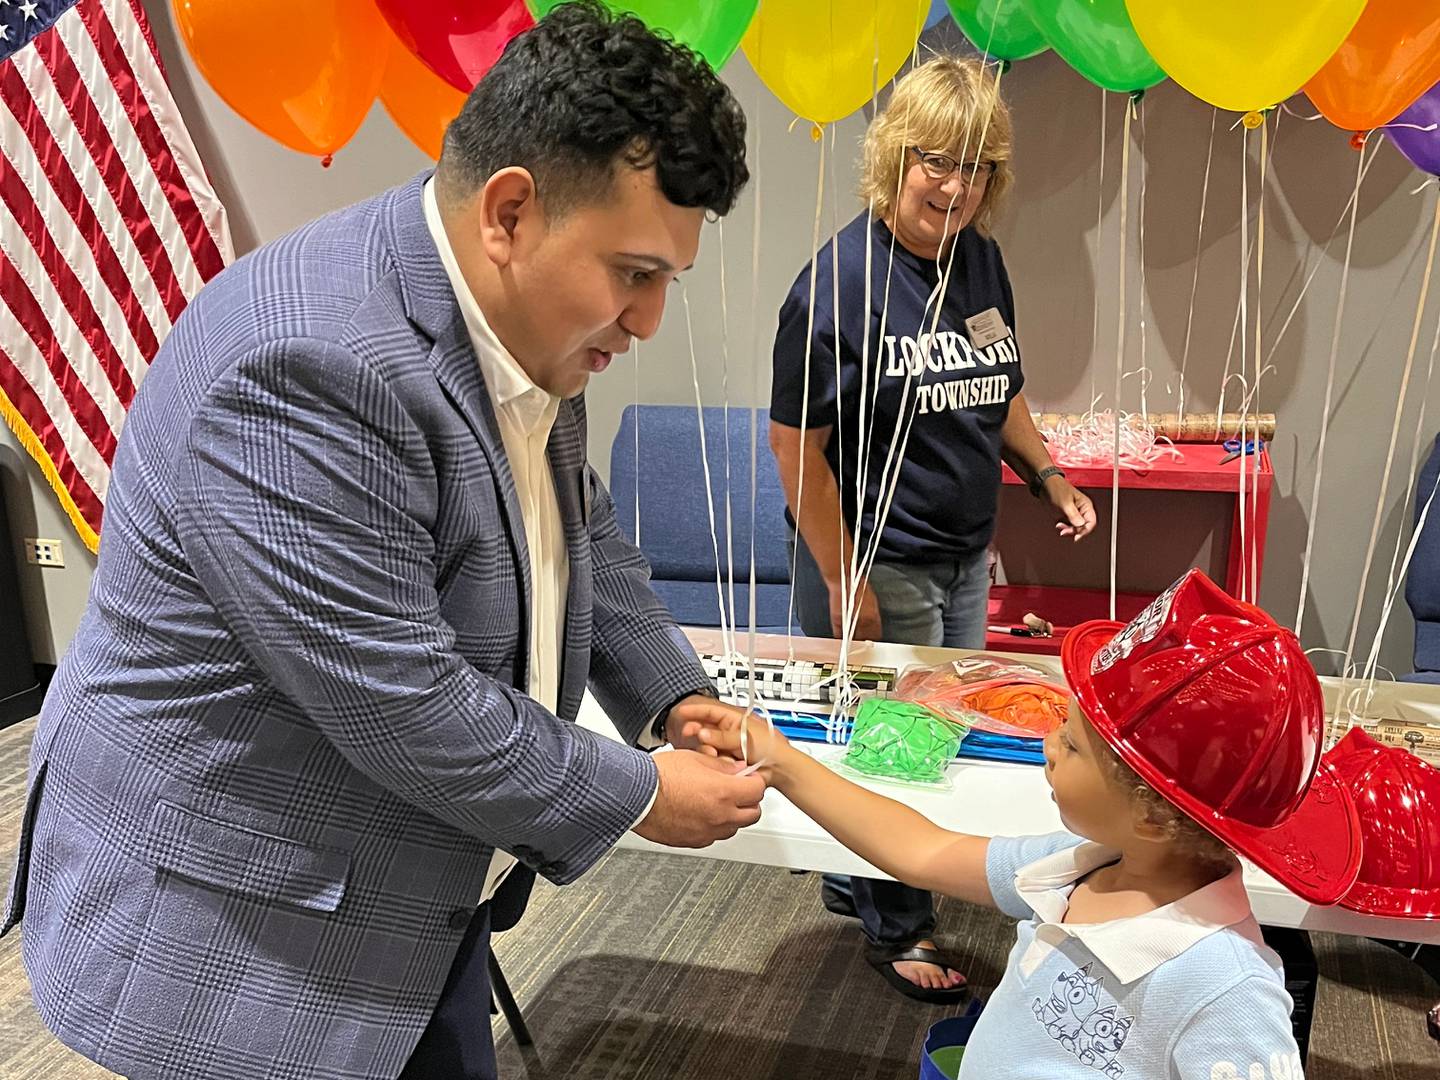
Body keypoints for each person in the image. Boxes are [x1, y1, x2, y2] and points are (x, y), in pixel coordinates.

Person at [1, 5, 763, 1079]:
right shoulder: (308, 365)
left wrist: (673, 693)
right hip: (248, 928)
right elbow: (404, 699)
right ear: (510, 210)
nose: (647, 320)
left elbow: (573, 520)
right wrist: (638, 793)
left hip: (412, 878)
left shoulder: (528, 328)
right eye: (635, 272)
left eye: (667, 280)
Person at [691, 569, 1362, 1077]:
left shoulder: (1226, 988)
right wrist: (780, 759)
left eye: (1068, 743)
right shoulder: (1086, 864)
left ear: (1155, 815)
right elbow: (922, 851)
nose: (1047, 743)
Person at [768, 55, 1097, 1002]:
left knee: (935, 738)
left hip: (962, 548)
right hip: (880, 558)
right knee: (899, 745)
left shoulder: (978, 258)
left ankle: (856, 880)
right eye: (935, 162)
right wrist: (843, 576)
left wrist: (1047, 473)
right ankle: (899, 928)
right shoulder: (834, 286)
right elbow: (797, 449)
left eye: (976, 167)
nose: (955, 186)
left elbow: (1000, 384)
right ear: (894, 158)